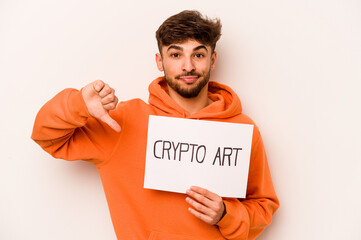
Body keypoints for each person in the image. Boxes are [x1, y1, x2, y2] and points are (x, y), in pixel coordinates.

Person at [32, 10, 279, 240]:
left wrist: (226, 214)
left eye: (198, 54)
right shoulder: (124, 121)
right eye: (175, 54)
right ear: (160, 62)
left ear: (213, 60)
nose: (188, 66)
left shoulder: (242, 129)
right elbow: (46, 137)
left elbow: (263, 207)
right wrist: (79, 105)